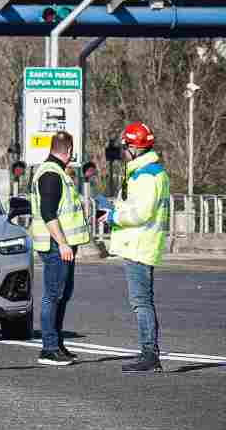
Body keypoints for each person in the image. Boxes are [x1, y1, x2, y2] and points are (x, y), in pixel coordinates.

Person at [95, 122, 171, 373]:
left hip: (140, 244)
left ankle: (150, 354)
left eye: (125, 147)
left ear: (134, 148)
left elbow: (142, 213)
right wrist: (115, 209)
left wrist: (114, 217)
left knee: (141, 302)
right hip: (139, 243)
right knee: (142, 300)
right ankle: (149, 353)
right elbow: (135, 206)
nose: (122, 151)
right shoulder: (143, 172)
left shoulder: (147, 175)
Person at [29, 131, 91, 366]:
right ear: (69, 151)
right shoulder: (50, 174)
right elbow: (48, 213)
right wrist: (63, 243)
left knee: (62, 295)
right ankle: (49, 348)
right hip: (56, 244)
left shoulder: (55, 172)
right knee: (53, 296)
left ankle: (57, 344)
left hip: (61, 244)